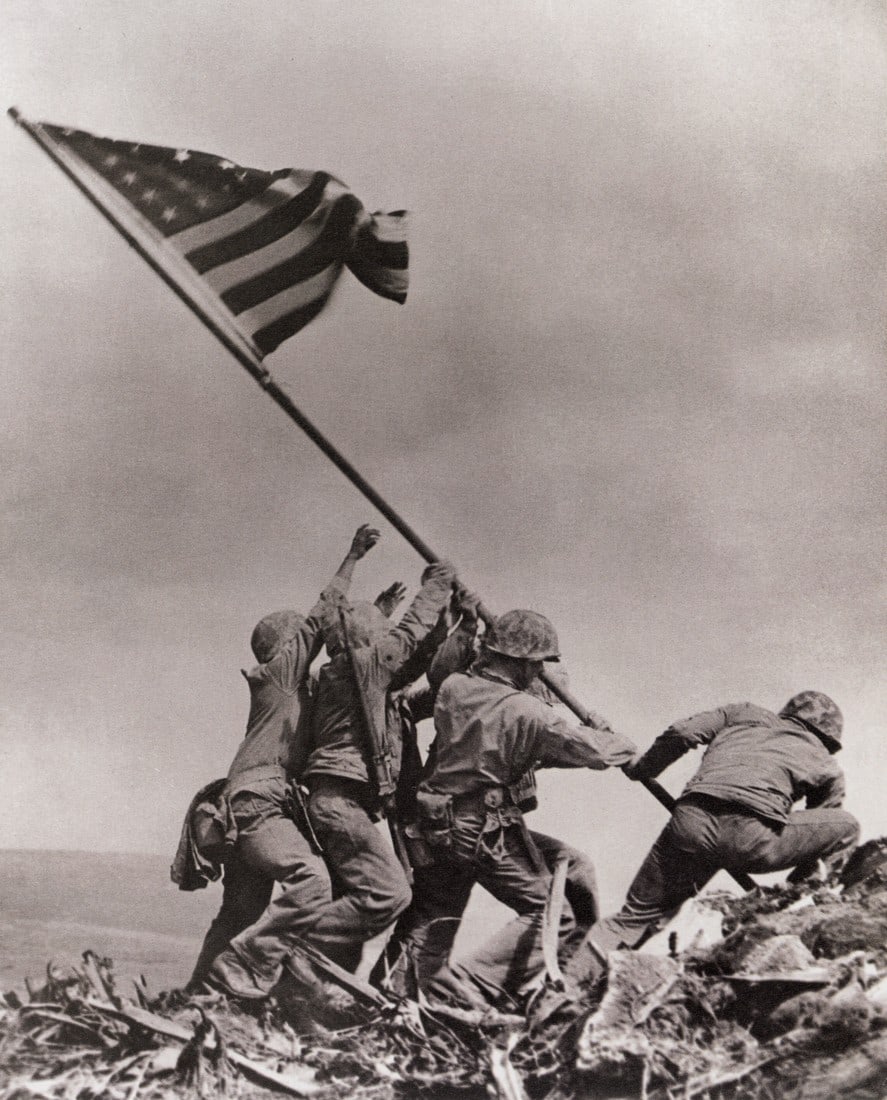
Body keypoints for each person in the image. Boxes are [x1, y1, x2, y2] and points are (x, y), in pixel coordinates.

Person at [560, 691, 860, 995]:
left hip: (690, 825)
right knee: (847, 826)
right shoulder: (826, 763)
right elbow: (820, 830)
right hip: (752, 838)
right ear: (828, 737)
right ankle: (800, 901)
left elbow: (682, 732)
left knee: (632, 917)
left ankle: (567, 990)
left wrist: (644, 770)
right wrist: (798, 886)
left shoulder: (743, 713)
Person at [412, 609, 637, 1009]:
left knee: (436, 920)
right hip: (480, 827)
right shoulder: (527, 712)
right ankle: (470, 985)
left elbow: (540, 751)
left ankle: (403, 991)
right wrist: (614, 739)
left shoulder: (455, 687)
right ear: (520, 662)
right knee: (554, 914)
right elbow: (594, 751)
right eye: (536, 665)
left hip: (439, 820)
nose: (539, 673)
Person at [192, 525, 380, 999]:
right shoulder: (276, 675)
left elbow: (349, 653)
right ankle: (244, 965)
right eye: (300, 641)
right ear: (285, 646)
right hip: (258, 803)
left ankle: (199, 994)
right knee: (311, 881)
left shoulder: (291, 691)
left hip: (247, 806)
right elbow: (320, 620)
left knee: (240, 911)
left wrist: (379, 616)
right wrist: (352, 557)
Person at [298, 558, 458, 972]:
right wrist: (437, 585)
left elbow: (415, 660)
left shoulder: (347, 676)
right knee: (390, 893)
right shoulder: (363, 666)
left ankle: (316, 982)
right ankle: (294, 951)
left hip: (340, 802)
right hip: (341, 803)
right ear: (368, 640)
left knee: (363, 895)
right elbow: (408, 638)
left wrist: (453, 623)